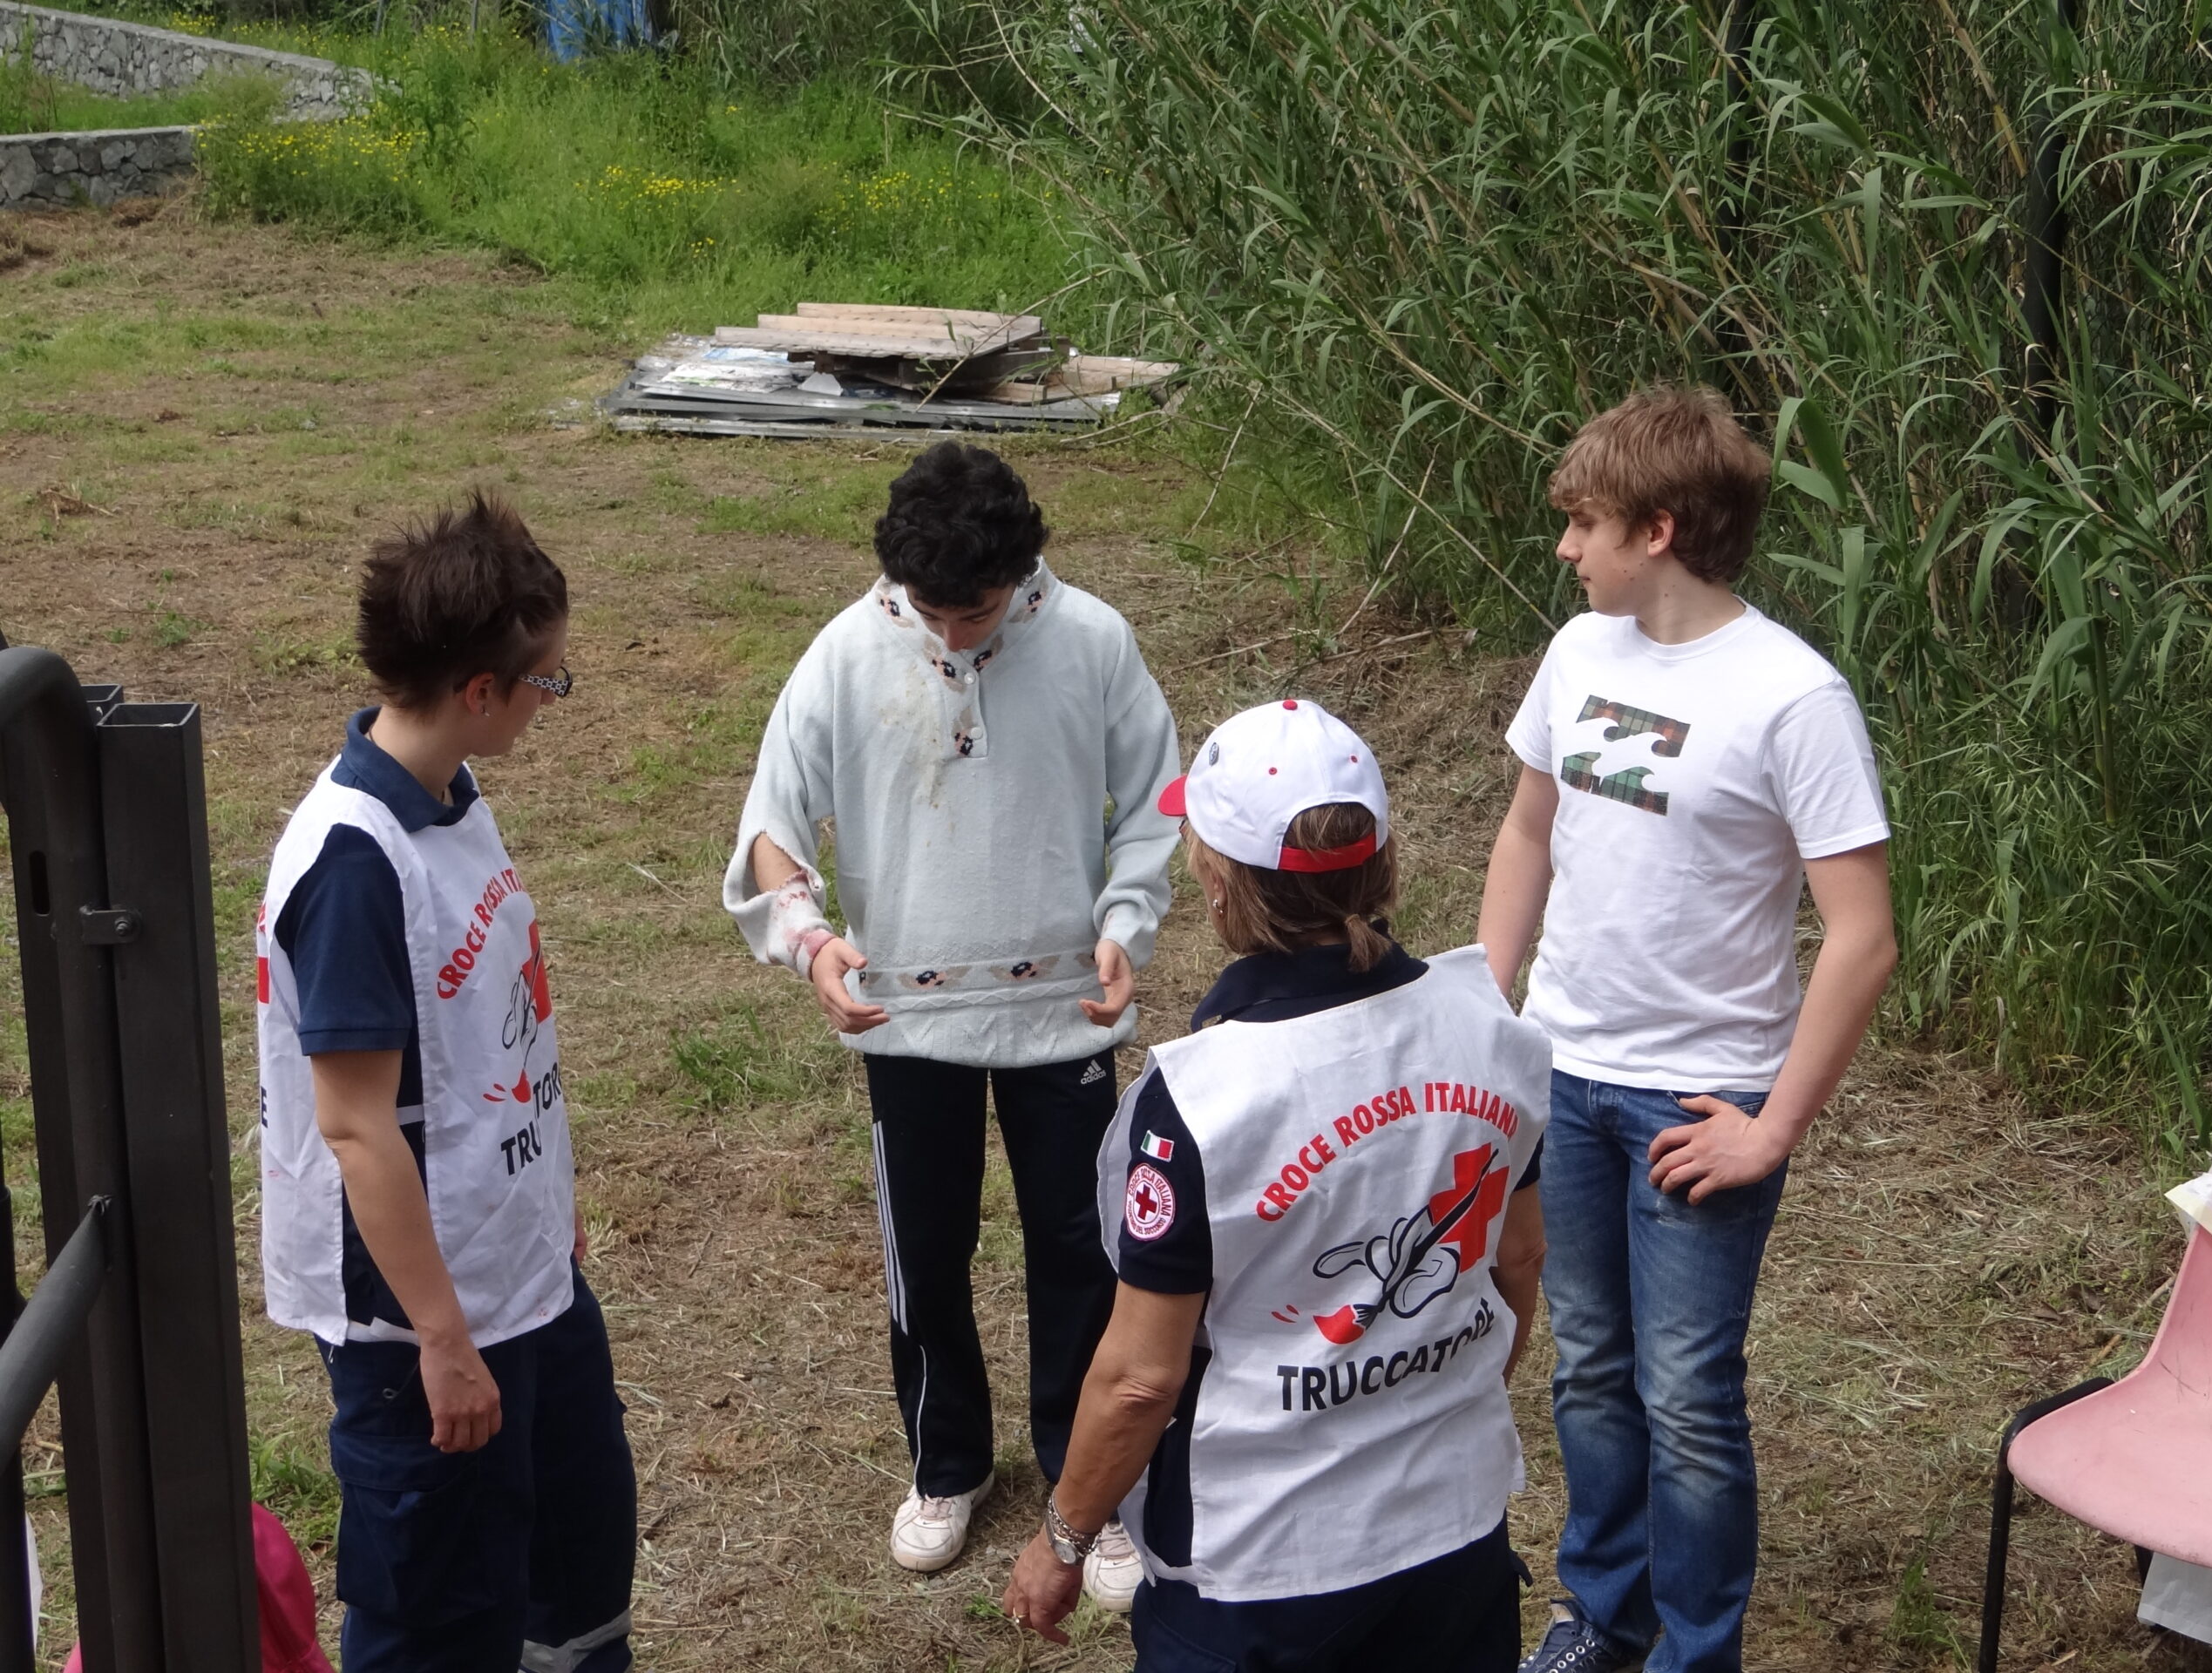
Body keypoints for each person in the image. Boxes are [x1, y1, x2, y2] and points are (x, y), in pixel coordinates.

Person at [1478, 387, 1897, 1673]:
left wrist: (1772, 1127)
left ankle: (1691, 1654)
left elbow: (1863, 934)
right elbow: (1528, 831)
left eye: (1584, 525)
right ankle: (1606, 1620)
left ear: (1658, 529)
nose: (1566, 548)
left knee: (1690, 1402)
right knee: (1589, 1371)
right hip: (1565, 1072)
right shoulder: (1578, 652)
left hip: (1694, 1106)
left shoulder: (1792, 697)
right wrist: (1489, 1022)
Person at [1002, 698, 1550, 1671]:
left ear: (1218, 886)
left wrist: (1062, 1538)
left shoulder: (1203, 1097)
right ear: (1381, 861)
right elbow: (1518, 1257)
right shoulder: (1490, 1024)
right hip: (1455, 1531)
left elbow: (1140, 1379)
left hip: (1261, 1569)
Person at [723, 441, 1181, 1596]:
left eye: (976, 609)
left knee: (1083, 1251)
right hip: (906, 1022)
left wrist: (1127, 920)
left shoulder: (1094, 642)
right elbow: (775, 822)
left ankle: (1090, 1485)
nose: (955, 632)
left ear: (1024, 573)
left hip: (1064, 1010)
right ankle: (947, 1464)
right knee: (926, 1251)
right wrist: (812, 940)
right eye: (933, 610)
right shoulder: (845, 651)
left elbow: (1160, 802)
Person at [255, 493, 636, 1673]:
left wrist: (543, 1216)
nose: (551, 701)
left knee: (576, 1572)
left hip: (521, 1276)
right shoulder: (356, 864)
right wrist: (442, 1341)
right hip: (421, 1325)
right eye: (547, 683)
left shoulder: (449, 797)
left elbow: (485, 1041)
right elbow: (358, 1128)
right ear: (479, 688)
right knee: (443, 1619)